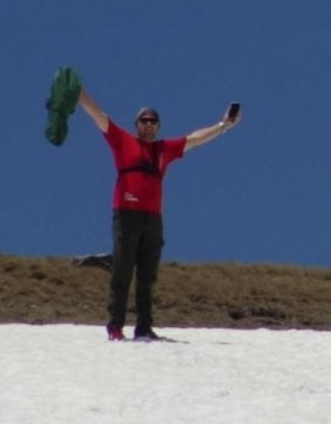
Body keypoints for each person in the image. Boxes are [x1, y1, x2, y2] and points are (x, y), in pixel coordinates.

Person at [77, 88, 241, 341]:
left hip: (153, 220)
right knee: (123, 271)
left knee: (147, 275)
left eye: (154, 121)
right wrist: (79, 94)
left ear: (158, 126)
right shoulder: (123, 141)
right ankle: (115, 327)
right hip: (126, 214)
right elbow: (99, 115)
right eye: (145, 120)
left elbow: (194, 139)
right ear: (137, 124)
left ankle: (144, 328)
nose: (149, 124)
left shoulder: (165, 150)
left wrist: (224, 125)